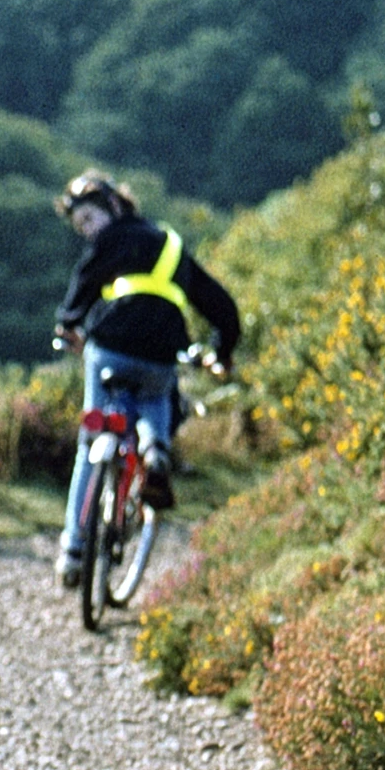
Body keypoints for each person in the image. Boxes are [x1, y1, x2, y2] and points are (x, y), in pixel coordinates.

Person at [50, 170, 239, 589]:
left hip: (109, 349)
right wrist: (223, 349)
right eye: (81, 226)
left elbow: (80, 291)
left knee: (91, 439)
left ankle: (74, 548)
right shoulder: (169, 244)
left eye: (88, 220)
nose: (87, 231)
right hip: (160, 353)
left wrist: (68, 325)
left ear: (114, 206)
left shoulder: (109, 242)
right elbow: (219, 303)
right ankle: (155, 453)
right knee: (157, 400)